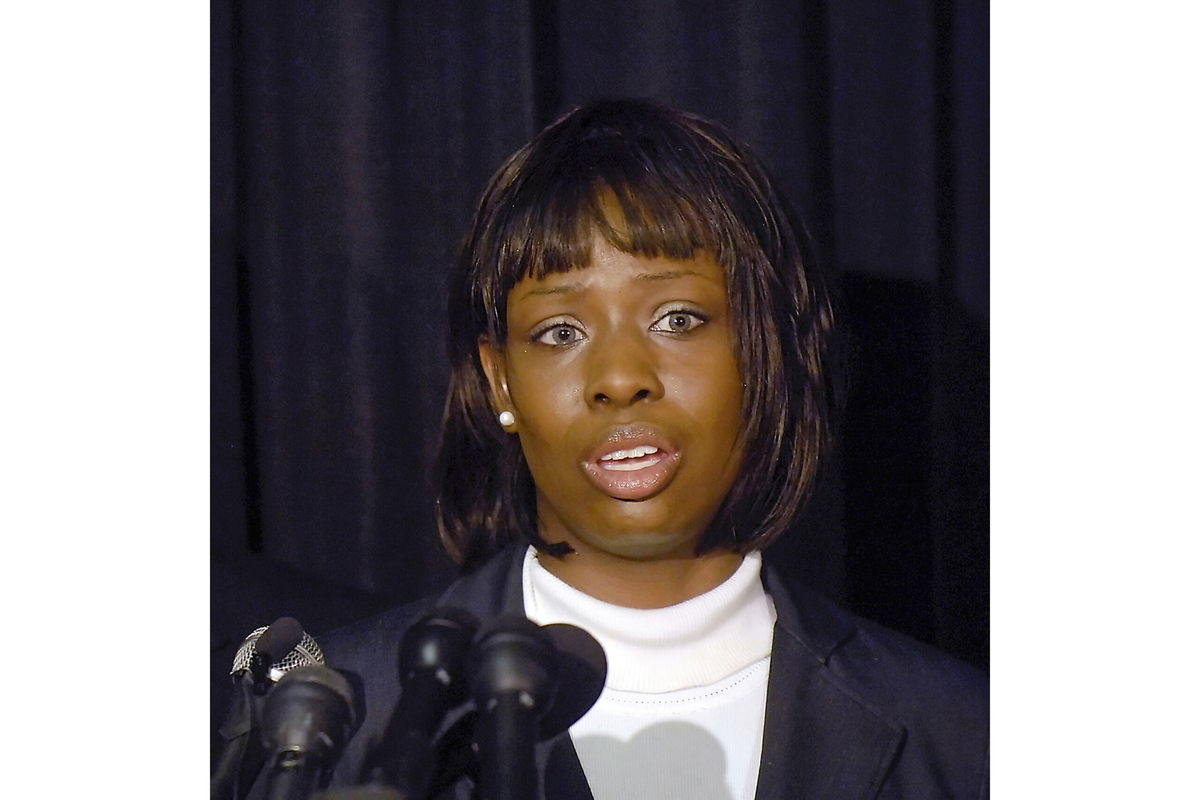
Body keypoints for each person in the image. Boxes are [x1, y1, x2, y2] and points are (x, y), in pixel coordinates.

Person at [267, 99, 988, 799]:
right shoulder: (331, 720)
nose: (619, 379)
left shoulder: (963, 736)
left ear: (765, 351)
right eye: (559, 332)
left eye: (678, 318)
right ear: (500, 379)